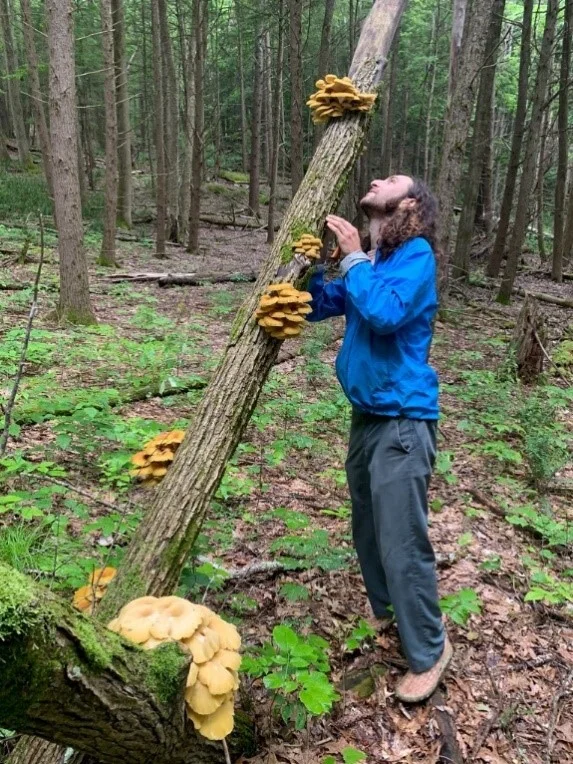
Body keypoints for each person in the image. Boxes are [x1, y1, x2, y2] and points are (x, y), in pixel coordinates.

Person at [307, 175, 452, 703]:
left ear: (408, 203)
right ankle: (388, 611)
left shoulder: (415, 255)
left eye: (390, 180)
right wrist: (302, 271)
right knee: (368, 527)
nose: (375, 179)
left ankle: (429, 651)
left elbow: (386, 315)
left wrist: (353, 260)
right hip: (367, 417)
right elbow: (324, 303)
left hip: (403, 419)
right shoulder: (375, 262)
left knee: (401, 540)